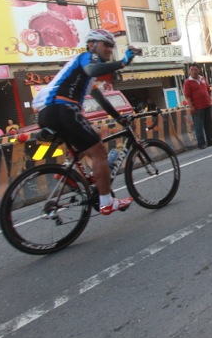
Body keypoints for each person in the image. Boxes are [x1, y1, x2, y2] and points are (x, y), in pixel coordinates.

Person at [32, 29, 138, 215]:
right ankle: (106, 202)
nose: (109, 49)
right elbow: (92, 68)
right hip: (62, 108)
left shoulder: (86, 75)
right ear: (92, 44)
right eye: (106, 44)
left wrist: (118, 117)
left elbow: (101, 99)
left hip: (49, 112)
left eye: (111, 45)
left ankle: (67, 173)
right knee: (99, 152)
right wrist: (122, 62)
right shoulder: (86, 58)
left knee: (94, 135)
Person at [183, 63, 212, 150]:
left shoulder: (203, 78)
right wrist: (191, 107)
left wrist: (209, 98)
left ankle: (210, 140)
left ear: (198, 70)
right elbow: (187, 96)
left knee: (209, 124)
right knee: (198, 125)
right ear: (189, 71)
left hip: (207, 104)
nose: (194, 72)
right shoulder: (187, 82)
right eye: (192, 70)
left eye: (195, 70)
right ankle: (201, 143)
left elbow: (208, 89)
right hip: (197, 107)